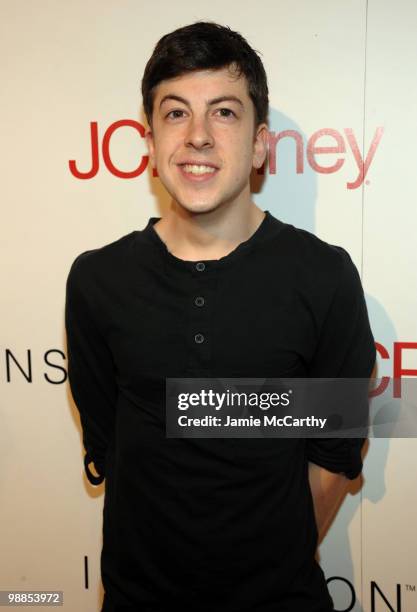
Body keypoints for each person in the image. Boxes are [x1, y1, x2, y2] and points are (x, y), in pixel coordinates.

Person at [65, 21, 376, 612]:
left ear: (260, 144)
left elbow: (333, 461)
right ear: (151, 143)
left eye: (224, 113)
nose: (199, 137)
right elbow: (114, 443)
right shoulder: (97, 281)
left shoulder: (323, 277)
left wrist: (260, 563)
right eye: (176, 113)